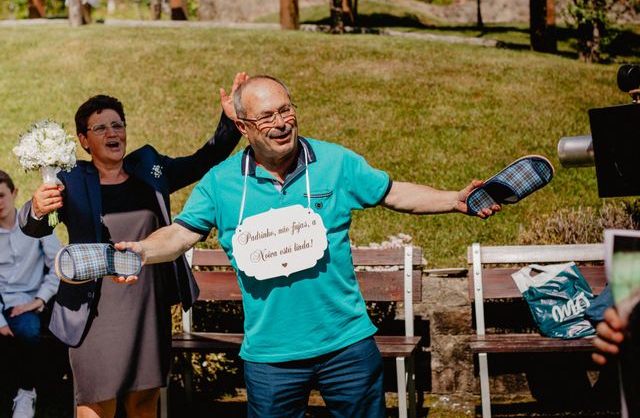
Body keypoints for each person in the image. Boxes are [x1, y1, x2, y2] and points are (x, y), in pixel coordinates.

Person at [116, 75, 500, 417]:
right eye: (266, 117)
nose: (281, 123)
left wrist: (453, 199)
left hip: (346, 346)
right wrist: (143, 252)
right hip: (270, 358)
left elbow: (394, 193)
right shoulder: (221, 182)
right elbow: (180, 234)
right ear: (242, 127)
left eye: (286, 110)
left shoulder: (335, 162)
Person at [18, 76, 243, 418]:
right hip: (94, 311)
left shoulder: (150, 167)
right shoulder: (70, 179)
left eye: (117, 125)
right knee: (95, 404)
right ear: (83, 140)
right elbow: (32, 227)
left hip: (147, 305)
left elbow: (202, 161)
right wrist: (36, 206)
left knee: (143, 403)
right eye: (101, 128)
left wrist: (229, 121)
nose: (113, 133)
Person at [0, 170, 61, 418]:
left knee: (29, 330)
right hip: (3, 302)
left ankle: (27, 392)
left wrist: (38, 300)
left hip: (31, 301)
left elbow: (59, 266)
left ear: (14, 194)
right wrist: (0, 321)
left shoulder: (33, 224)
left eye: (1, 195)